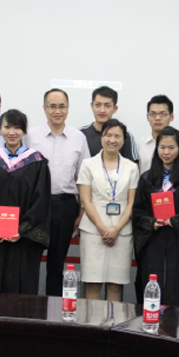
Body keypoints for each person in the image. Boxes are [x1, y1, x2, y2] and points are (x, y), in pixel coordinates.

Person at [0, 109, 51, 294]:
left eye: (17, 128)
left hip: (24, 240)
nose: (12, 132)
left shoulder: (37, 162)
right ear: (0, 129)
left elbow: (40, 201)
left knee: (23, 286)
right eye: (7, 127)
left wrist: (22, 229)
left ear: (24, 131)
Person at [133, 127, 179, 309]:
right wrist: (151, 222)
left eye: (171, 147)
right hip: (154, 242)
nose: (166, 152)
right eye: (162, 147)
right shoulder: (147, 179)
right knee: (152, 284)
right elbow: (138, 211)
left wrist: (176, 220)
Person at [25, 88, 90, 296]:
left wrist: (81, 211)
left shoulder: (78, 138)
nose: (57, 111)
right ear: (44, 108)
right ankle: (29, 306)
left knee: (57, 262)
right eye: (52, 106)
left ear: (68, 109)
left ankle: (53, 309)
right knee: (31, 258)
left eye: (62, 106)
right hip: (36, 206)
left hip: (65, 205)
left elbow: (84, 178)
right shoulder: (31, 136)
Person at [77, 119, 139, 301]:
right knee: (92, 283)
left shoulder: (131, 167)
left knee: (115, 285)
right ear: (102, 137)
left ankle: (112, 319)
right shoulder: (88, 164)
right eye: (108, 135)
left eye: (117, 136)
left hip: (122, 231)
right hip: (93, 230)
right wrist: (103, 228)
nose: (112, 140)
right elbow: (86, 200)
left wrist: (116, 229)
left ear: (124, 140)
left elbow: (131, 203)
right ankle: (92, 320)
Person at [136, 94, 179, 174]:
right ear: (147, 117)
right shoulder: (139, 145)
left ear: (171, 117)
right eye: (153, 114)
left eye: (163, 114)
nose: (157, 118)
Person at [79, 86, 139, 162]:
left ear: (115, 108)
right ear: (92, 106)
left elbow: (132, 166)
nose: (102, 110)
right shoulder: (80, 134)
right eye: (98, 105)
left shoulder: (125, 135)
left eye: (107, 105)